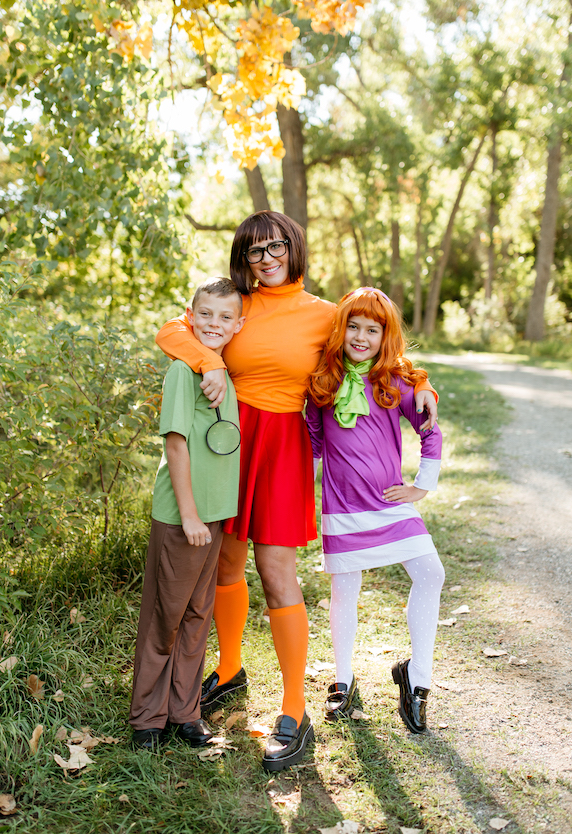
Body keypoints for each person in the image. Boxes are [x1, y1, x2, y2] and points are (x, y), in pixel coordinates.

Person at [155, 211, 439, 770]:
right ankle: (231, 668)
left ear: (294, 247)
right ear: (244, 257)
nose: (266, 258)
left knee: (276, 571)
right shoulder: (233, 305)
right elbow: (170, 330)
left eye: (276, 246)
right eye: (255, 250)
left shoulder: (325, 316)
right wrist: (209, 358)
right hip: (229, 440)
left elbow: (377, 347)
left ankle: (294, 708)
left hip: (284, 441)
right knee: (225, 564)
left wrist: (422, 382)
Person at [306, 287, 444, 734]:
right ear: (340, 329)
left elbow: (429, 430)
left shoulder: (394, 381)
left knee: (430, 573)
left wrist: (422, 486)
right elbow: (310, 439)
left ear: (384, 336)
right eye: (354, 326)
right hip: (343, 506)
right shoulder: (323, 382)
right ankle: (342, 679)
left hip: (389, 505)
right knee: (345, 588)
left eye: (372, 329)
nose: (361, 337)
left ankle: (417, 680)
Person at [129, 277, 245, 751]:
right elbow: (176, 444)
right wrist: (191, 515)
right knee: (166, 615)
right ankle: (147, 719)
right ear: (190, 316)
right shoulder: (184, 369)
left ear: (239, 324)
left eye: (224, 317)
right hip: (184, 517)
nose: (214, 324)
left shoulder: (221, 369)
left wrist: (210, 515)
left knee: (199, 612)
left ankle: (185, 711)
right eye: (206, 314)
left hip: (215, 513)